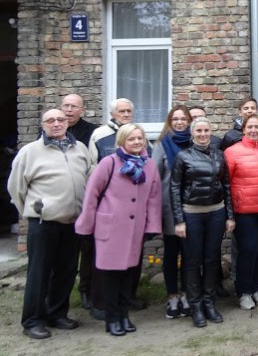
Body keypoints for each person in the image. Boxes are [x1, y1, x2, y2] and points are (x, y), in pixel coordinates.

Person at [8, 109, 92, 339]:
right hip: (44, 222)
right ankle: (33, 320)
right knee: (39, 273)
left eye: (61, 120)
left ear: (68, 123)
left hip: (73, 221)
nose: (56, 124)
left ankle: (57, 313)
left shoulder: (80, 149)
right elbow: (15, 188)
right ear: (43, 125)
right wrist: (34, 209)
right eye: (50, 120)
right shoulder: (30, 152)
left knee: (66, 271)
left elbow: (89, 177)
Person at [75, 124, 162, 336]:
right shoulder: (109, 163)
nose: (137, 142)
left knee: (128, 276)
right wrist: (86, 226)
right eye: (131, 139)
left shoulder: (149, 165)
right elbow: (92, 195)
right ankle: (111, 317)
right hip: (111, 228)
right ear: (122, 141)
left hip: (134, 230)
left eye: (140, 138)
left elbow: (153, 198)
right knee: (110, 276)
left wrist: (152, 226)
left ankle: (124, 315)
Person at [171, 117, 235, 328]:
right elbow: (174, 188)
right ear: (192, 133)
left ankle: (209, 303)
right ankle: (196, 305)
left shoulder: (219, 155)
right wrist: (179, 220)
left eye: (206, 130)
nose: (203, 134)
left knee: (211, 260)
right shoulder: (183, 156)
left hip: (215, 213)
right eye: (198, 131)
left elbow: (226, 185)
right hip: (192, 214)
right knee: (192, 261)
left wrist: (229, 215)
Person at [224, 113, 258, 310]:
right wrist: (229, 213)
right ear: (243, 129)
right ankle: (244, 291)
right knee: (248, 249)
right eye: (250, 127)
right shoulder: (231, 152)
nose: (254, 130)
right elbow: (226, 183)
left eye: (257, 127)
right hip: (243, 210)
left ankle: (257, 287)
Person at [152, 104, 194, 319]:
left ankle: (187, 295)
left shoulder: (194, 143)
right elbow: (155, 179)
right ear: (170, 122)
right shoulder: (161, 145)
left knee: (188, 254)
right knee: (171, 253)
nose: (179, 122)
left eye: (183, 119)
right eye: (175, 119)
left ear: (189, 121)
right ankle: (172, 297)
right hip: (169, 208)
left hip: (192, 206)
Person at [61, 94, 99, 312]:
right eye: (65, 105)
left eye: (73, 106)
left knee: (87, 250)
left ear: (82, 110)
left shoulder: (92, 132)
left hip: (85, 201)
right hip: (59, 205)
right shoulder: (50, 131)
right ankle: (57, 296)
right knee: (62, 254)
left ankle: (86, 290)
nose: (68, 110)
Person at [89, 98, 134, 164]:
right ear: (112, 114)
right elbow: (93, 164)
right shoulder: (99, 135)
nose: (126, 115)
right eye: (122, 111)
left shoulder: (138, 134)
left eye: (129, 111)